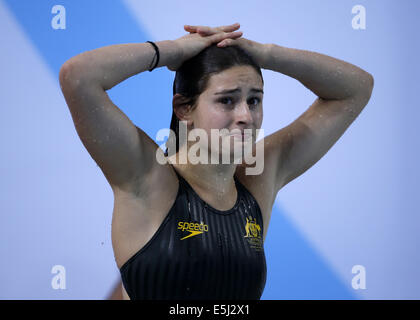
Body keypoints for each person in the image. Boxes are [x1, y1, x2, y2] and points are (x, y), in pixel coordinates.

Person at [59, 22, 374, 300]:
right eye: (227, 100)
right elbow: (79, 77)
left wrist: (264, 54)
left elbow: (355, 88)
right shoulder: (147, 177)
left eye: (254, 100)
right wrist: (173, 51)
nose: (245, 116)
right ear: (184, 109)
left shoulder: (257, 177)